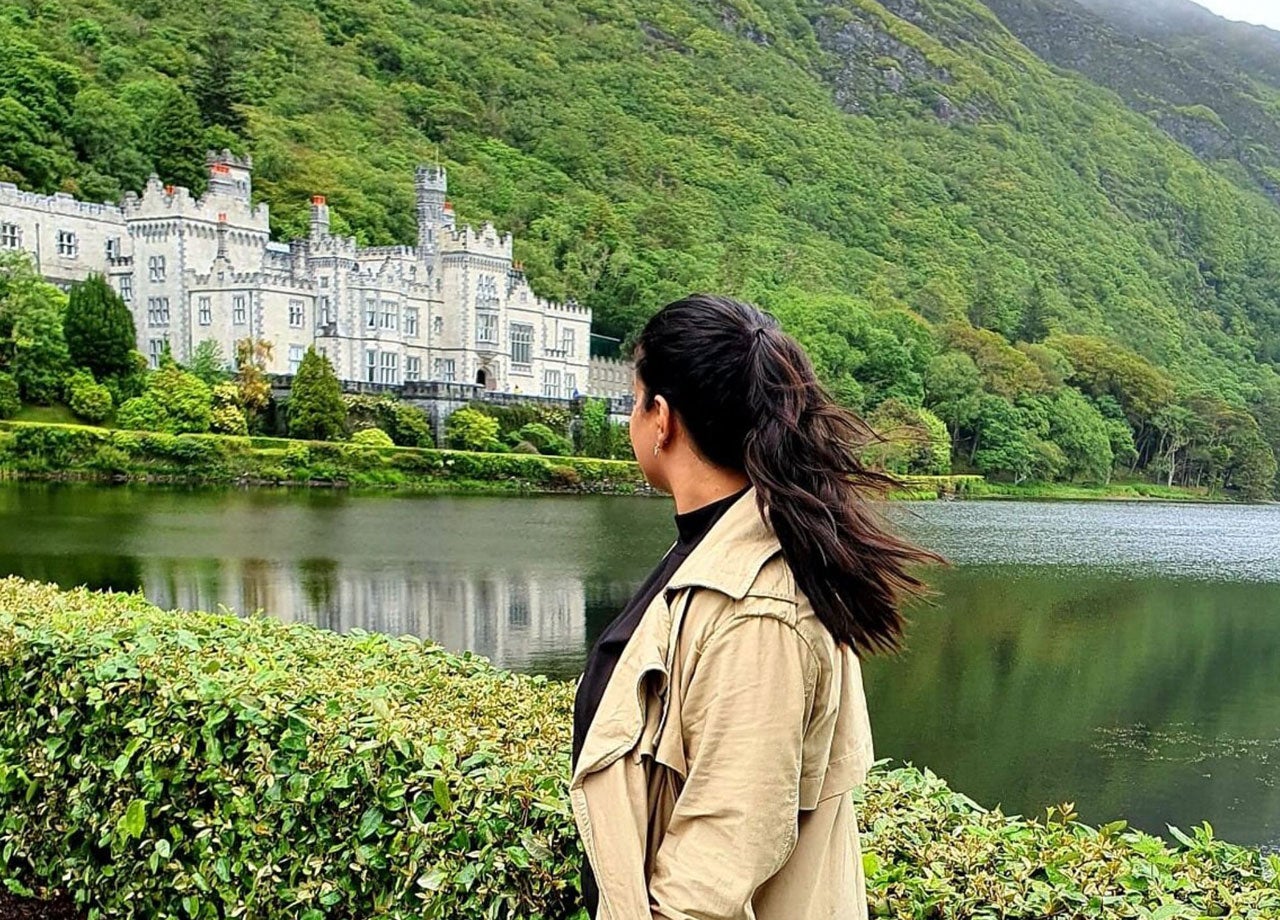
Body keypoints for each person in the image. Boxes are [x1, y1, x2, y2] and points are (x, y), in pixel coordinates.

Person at [570, 294, 938, 920]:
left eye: (634, 400)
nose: (632, 417)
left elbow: (711, 878)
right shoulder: (716, 549)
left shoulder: (760, 610)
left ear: (662, 419)